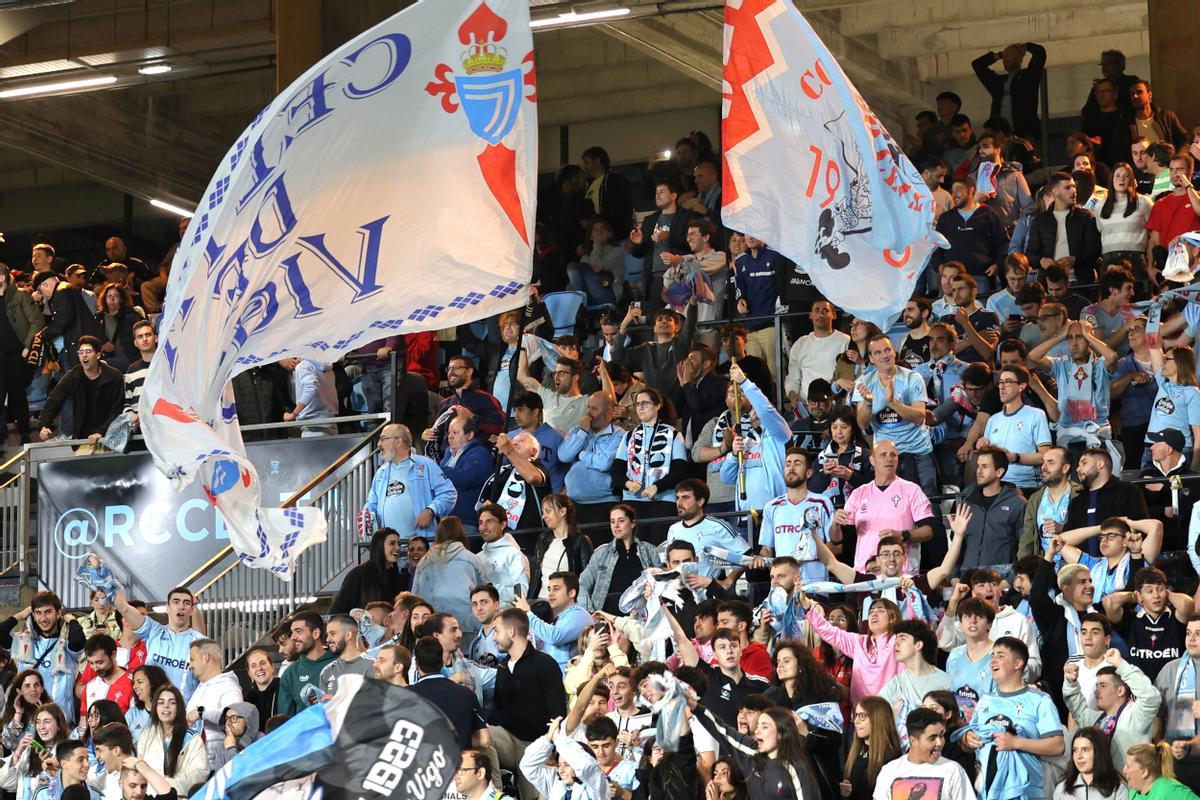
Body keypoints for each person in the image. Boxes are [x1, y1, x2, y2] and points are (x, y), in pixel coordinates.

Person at [961, 637, 1065, 800]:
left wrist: (1016, 743)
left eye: (1001, 655)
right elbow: (969, 745)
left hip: (1026, 793)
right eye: (992, 655)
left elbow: (1058, 746)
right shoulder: (985, 701)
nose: (993, 660)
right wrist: (967, 740)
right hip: (987, 793)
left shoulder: (1040, 701)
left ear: (1018, 664)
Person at [488, 608, 568, 800]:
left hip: (538, 748)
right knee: (481, 735)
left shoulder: (545, 664)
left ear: (511, 631)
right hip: (508, 740)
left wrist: (552, 750)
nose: (494, 638)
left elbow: (558, 713)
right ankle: (493, 796)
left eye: (497, 631)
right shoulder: (502, 667)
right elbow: (495, 711)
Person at [835, 440, 936, 575]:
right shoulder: (858, 493)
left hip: (902, 575)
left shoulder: (912, 490)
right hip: (865, 574)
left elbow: (929, 531)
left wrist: (903, 535)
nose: (889, 459)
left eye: (893, 455)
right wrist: (835, 524)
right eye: (883, 455)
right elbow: (839, 539)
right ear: (872, 460)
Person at [691, 697, 821, 800]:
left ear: (781, 734)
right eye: (758, 725)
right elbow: (721, 729)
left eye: (765, 727)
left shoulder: (796, 769)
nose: (757, 731)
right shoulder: (750, 752)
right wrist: (695, 707)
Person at [1065, 647, 1159, 768]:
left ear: (1120, 690)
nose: (1096, 691)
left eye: (1103, 686)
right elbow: (1078, 708)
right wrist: (1071, 683)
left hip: (1130, 785)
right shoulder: (1098, 720)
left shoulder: (1136, 714)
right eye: (1096, 686)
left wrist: (1121, 665)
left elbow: (1151, 697)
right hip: (1101, 785)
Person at [362, 423, 457, 540]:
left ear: (398, 441)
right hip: (389, 549)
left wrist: (431, 510)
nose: (379, 444)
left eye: (383, 439)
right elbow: (372, 504)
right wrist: (366, 515)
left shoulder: (426, 465)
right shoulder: (381, 472)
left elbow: (449, 493)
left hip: (420, 546)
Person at [0, 593, 86, 723]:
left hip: (60, 723)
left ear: (58, 614)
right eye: (38, 613)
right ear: (33, 615)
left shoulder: (67, 645)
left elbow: (78, 641)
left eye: (48, 612)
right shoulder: (24, 642)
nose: (43, 618)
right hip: (28, 723)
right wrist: (22, 614)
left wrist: (72, 621)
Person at [112, 588, 204, 703]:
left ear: (191, 610)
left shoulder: (200, 642)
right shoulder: (153, 630)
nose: (181, 606)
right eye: (176, 602)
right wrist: (112, 590)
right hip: (152, 714)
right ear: (167, 608)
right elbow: (125, 609)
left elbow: (210, 684)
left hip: (184, 717)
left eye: (187, 603)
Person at [37, 335, 124, 451]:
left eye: (88, 351)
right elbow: (54, 400)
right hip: (83, 438)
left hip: (111, 436)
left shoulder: (114, 376)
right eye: (81, 352)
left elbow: (117, 409)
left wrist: (101, 431)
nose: (84, 355)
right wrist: (44, 425)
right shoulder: (73, 376)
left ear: (98, 355)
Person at [873, 706, 977, 800]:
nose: (940, 742)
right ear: (913, 741)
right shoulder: (889, 771)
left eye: (941, 735)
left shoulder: (953, 770)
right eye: (932, 738)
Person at [976, 365, 1052, 490]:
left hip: (1025, 486)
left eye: (1008, 382)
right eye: (1000, 382)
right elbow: (987, 457)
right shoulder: (993, 420)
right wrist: (982, 446)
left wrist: (1015, 457)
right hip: (996, 485)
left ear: (1021, 387)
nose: (1002, 386)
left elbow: (1045, 456)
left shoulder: (1036, 414)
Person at [408, 637, 490, 751]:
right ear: (441, 662)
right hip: (460, 764)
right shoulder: (466, 694)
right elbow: (484, 739)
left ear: (416, 664)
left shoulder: (405, 696)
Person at [930, 177, 1010, 294]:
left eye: (958, 189)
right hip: (952, 280)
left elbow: (1003, 242)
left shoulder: (988, 214)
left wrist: (998, 264)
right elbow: (936, 248)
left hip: (980, 277)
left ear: (971, 191)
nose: (954, 194)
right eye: (952, 191)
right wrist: (940, 266)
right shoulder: (946, 218)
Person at [412, 517, 487, 636]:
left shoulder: (424, 561)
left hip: (433, 628)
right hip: (466, 627)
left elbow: (415, 596)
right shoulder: (473, 559)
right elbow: (484, 594)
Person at [579, 504, 659, 614]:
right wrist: (590, 612)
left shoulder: (650, 550)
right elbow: (582, 583)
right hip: (608, 617)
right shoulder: (601, 553)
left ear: (632, 523)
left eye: (621, 521)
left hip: (642, 615)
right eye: (612, 522)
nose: (616, 526)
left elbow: (662, 581)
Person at [1025, 171, 1102, 284]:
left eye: (1074, 187)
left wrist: (1075, 260)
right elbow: (1030, 255)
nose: (1074, 191)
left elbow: (1095, 249)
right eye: (1067, 188)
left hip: (1080, 281)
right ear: (1055, 192)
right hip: (1050, 284)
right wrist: (1042, 261)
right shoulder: (1041, 221)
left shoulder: (1085, 217)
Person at [514, 571, 591, 674]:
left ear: (572, 593)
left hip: (568, 681)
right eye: (549, 589)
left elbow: (555, 637)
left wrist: (528, 613)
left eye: (556, 589)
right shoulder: (556, 618)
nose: (550, 593)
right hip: (550, 676)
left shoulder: (580, 615)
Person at [611, 303, 697, 395]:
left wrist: (693, 303)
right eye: (660, 319)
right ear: (654, 328)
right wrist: (624, 324)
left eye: (668, 319)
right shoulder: (645, 349)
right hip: (653, 403)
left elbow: (690, 325)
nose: (664, 321)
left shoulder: (680, 345)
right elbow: (617, 357)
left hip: (678, 403)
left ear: (676, 327)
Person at [135, 685, 207, 794]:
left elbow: (199, 775)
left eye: (172, 703)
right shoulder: (146, 736)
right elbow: (140, 772)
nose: (166, 706)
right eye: (161, 702)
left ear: (179, 708)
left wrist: (166, 784)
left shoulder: (192, 739)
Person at [558, 391, 623, 511]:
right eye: (588, 407)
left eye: (594, 409)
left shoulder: (618, 434)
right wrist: (582, 432)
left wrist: (580, 454)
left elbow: (604, 463)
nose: (588, 413)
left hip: (603, 503)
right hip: (573, 502)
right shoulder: (577, 431)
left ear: (608, 413)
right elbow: (563, 456)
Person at [477, 431, 551, 534]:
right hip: (499, 534)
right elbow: (480, 507)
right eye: (513, 441)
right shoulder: (503, 471)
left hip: (526, 536)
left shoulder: (538, 467)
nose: (514, 443)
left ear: (533, 451)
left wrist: (509, 450)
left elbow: (532, 477)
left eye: (521, 441)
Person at [1156, 617, 1200, 789]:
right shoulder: (1171, 669)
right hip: (1174, 762)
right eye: (1188, 633)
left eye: (1198, 634)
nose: (1191, 638)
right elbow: (1156, 712)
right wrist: (1160, 746)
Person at [519, 717, 608, 800]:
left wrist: (558, 739)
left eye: (566, 765)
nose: (561, 770)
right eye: (559, 765)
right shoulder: (555, 783)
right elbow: (527, 765)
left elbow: (587, 765)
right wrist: (548, 739)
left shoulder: (595, 783)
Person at [971, 42, 1045, 141]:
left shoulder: (1028, 78)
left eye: (1009, 56)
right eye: (1004, 56)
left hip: (1024, 134)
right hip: (999, 136)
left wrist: (1026, 47)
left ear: (1019, 57)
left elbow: (1040, 54)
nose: (1006, 59)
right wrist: (998, 55)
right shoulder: (998, 83)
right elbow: (977, 65)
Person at [786, 298, 849, 406]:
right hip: (806, 406)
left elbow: (848, 376)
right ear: (810, 315)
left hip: (835, 404)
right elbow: (793, 377)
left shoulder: (845, 341)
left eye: (825, 310)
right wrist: (793, 399)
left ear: (834, 315)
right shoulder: (800, 343)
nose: (821, 314)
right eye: (817, 310)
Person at [1147, 343, 1200, 469]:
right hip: (1151, 447)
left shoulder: (1193, 393)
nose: (1162, 363)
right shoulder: (1163, 383)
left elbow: (1198, 434)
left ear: (1180, 363)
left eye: (1166, 359)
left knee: (1174, 488)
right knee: (1147, 487)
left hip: (1176, 450)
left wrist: (1194, 467)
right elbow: (1153, 345)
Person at [0, 703, 68, 800]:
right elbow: (6, 783)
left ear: (59, 725)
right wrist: (17, 754)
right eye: (38, 722)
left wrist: (53, 769)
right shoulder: (28, 751)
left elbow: (71, 786)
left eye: (47, 722)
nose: (41, 727)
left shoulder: (69, 750)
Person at [438, 414, 494, 530]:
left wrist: (438, 470)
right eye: (449, 433)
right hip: (446, 518)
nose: (450, 436)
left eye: (455, 433)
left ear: (470, 435)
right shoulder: (449, 453)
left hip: (466, 521)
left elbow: (464, 478)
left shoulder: (480, 454)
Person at [329, 528, 403, 615]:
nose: (398, 548)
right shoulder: (358, 574)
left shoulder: (395, 576)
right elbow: (336, 611)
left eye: (399, 544)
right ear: (379, 546)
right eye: (392, 543)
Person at [276, 611, 335, 715]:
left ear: (316, 633)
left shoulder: (342, 663)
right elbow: (286, 721)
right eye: (292, 632)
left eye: (298, 631)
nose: (293, 637)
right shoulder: (290, 674)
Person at [1053, 726, 1129, 800]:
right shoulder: (1061, 790)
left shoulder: (1117, 789)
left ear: (1099, 752)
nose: (1078, 756)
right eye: (1075, 750)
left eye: (1085, 749)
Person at [476, 504, 530, 607]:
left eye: (489, 522)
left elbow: (520, 593)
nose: (483, 527)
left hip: (506, 616)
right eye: (480, 523)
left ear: (503, 524)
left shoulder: (514, 554)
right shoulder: (477, 557)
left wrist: (490, 589)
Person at [317, 615, 374, 697]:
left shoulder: (373, 665)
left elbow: (379, 704)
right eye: (327, 635)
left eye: (332, 633)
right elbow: (323, 708)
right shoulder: (327, 671)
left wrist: (336, 701)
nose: (327, 639)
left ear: (348, 635)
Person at [1122, 742, 1200, 800]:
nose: (1124, 770)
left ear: (1144, 772)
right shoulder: (1133, 792)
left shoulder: (1171, 790)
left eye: (1128, 766)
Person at [209, 702, 262, 771]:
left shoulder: (262, 743)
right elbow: (220, 780)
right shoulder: (223, 747)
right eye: (226, 719)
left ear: (248, 720)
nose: (228, 723)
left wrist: (231, 749)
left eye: (233, 718)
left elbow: (247, 776)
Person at [242, 648, 278, 723]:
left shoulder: (285, 688)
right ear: (249, 673)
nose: (259, 668)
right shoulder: (248, 699)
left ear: (272, 667)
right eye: (253, 666)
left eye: (263, 663)